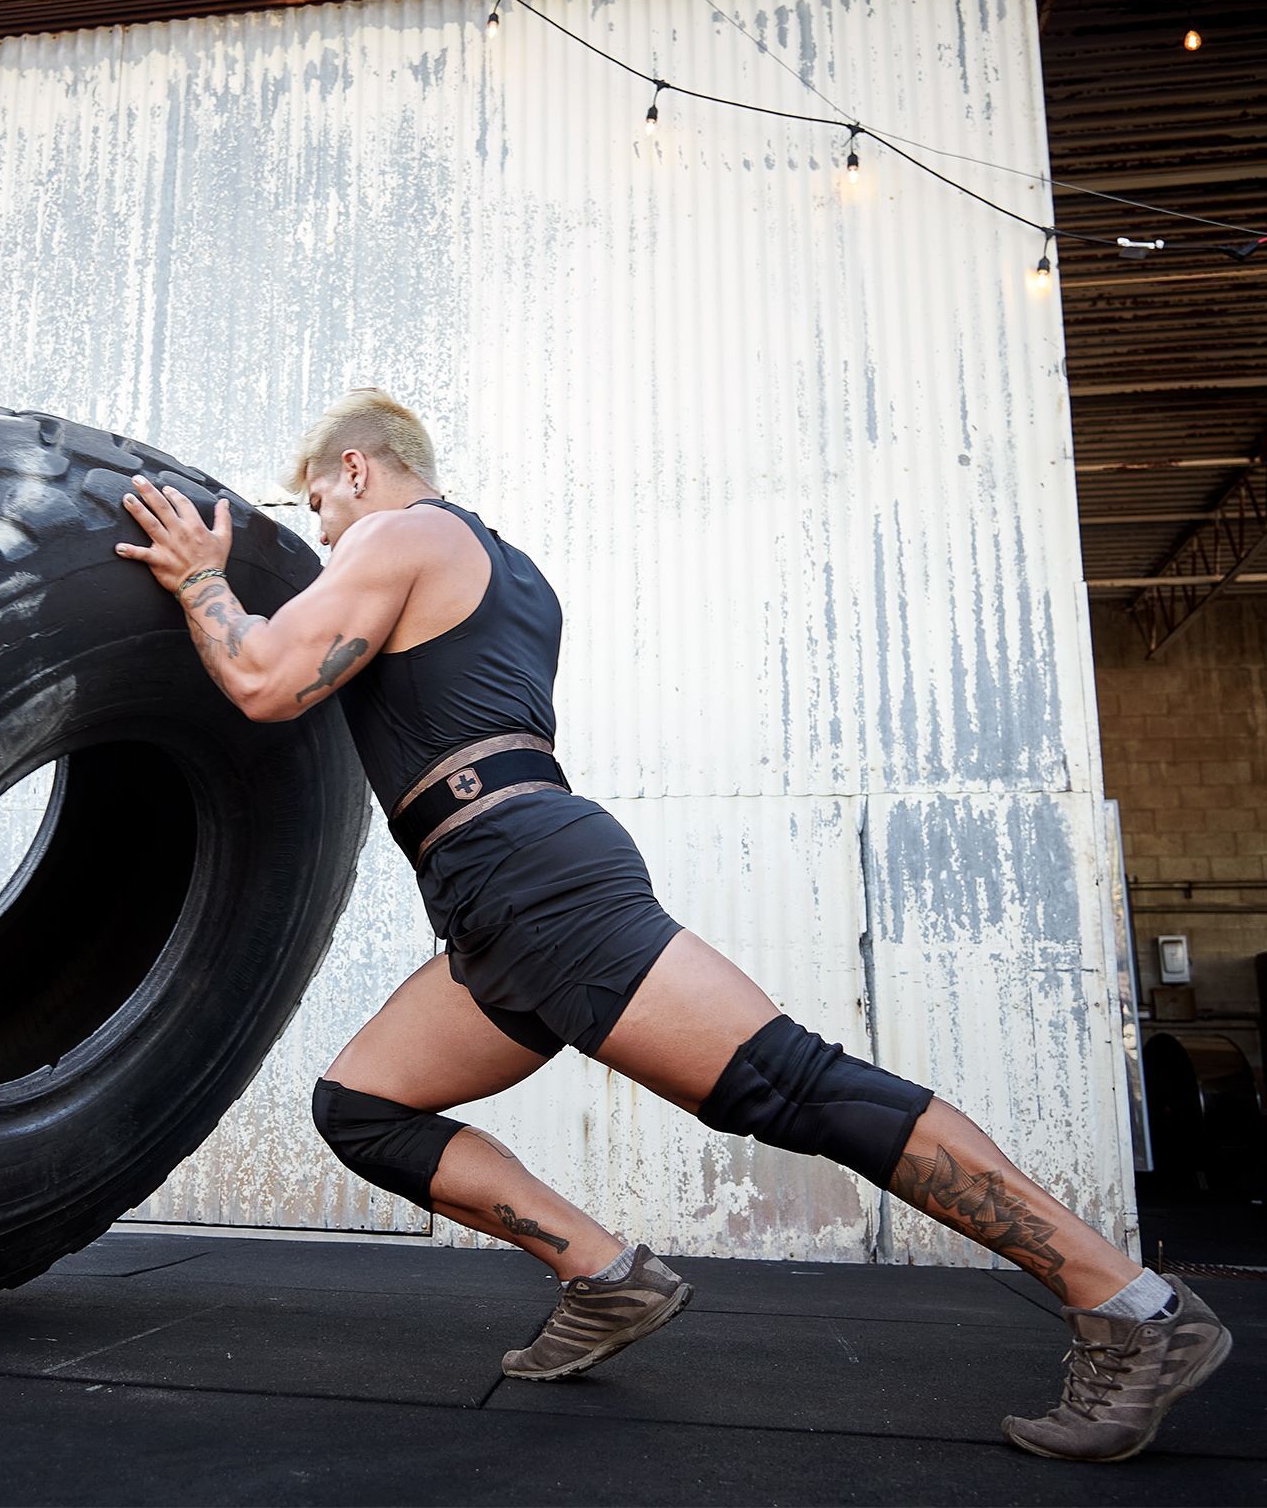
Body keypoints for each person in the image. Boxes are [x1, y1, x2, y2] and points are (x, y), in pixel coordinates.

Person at [115, 389, 1231, 1463]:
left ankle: (1130, 1304)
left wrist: (205, 579)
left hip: (528, 878)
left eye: (318, 501)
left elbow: (264, 678)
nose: (321, 529)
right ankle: (607, 1276)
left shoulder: (400, 532)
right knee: (362, 1103)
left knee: (790, 1086)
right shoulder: (513, 575)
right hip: (492, 892)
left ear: (356, 467)